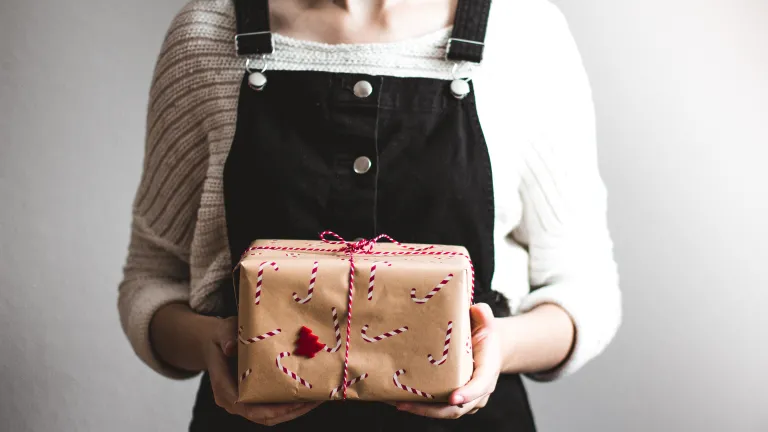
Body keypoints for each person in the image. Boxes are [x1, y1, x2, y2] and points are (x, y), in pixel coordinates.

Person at [117, 0, 622, 430]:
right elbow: (152, 280)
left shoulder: (525, 33)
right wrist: (213, 344)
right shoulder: (207, 37)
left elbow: (585, 291)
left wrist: (498, 347)